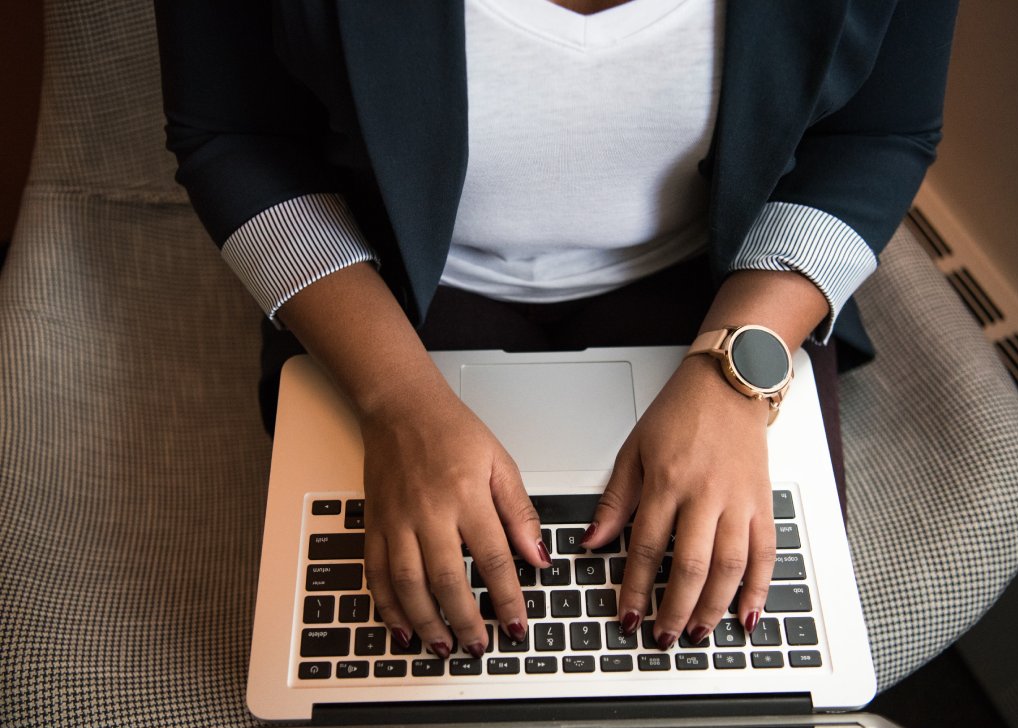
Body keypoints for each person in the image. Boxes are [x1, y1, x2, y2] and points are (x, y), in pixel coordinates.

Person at [155, 0, 957, 661]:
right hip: (388, 278)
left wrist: (735, 373)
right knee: (403, 669)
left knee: (732, 673)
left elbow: (878, 134)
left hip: (728, 270)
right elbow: (235, 134)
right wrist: (398, 399)